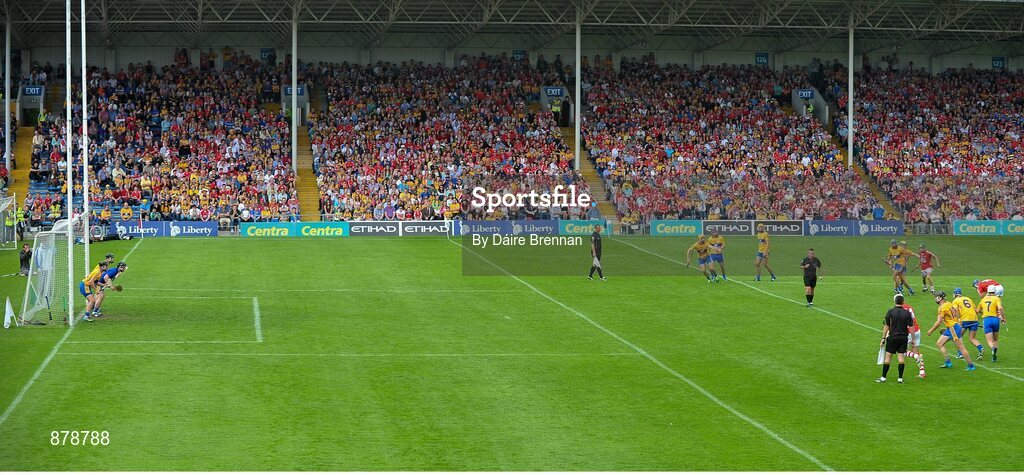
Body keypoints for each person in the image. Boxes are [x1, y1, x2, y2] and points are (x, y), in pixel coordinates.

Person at [926, 291, 976, 371]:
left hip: (953, 329)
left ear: (940, 298)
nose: (935, 298)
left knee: (961, 347)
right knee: (939, 343)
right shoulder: (949, 303)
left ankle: (971, 365)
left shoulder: (942, 308)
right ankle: (948, 362)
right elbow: (956, 314)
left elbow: (939, 322)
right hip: (952, 327)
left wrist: (931, 330)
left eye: (936, 297)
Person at [877, 294, 915, 383]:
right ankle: (900, 378)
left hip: (893, 337)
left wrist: (883, 338)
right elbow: (911, 327)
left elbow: (886, 326)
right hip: (903, 338)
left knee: (888, 358)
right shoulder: (907, 313)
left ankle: (883, 378)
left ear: (895, 301)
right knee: (901, 357)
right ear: (903, 302)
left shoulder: (890, 312)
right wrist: (913, 339)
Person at [951, 287, 984, 360]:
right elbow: (976, 310)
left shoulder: (955, 301)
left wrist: (957, 319)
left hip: (965, 320)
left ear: (955, 294)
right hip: (974, 319)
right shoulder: (968, 299)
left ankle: (960, 354)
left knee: (957, 337)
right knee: (972, 338)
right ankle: (981, 348)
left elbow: (956, 310)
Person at [899, 298, 927, 378]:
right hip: (917, 330)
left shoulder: (900, 309)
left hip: (909, 332)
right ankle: (922, 372)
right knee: (915, 352)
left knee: (902, 352)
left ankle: (916, 356)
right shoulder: (909, 307)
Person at [978, 287, 1006, 362]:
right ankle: (994, 356)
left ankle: (993, 349)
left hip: (987, 320)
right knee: (995, 339)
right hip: (995, 320)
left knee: (989, 341)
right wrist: (1003, 318)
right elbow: (1000, 308)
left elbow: (978, 310)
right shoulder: (997, 298)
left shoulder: (983, 299)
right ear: (994, 291)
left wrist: (984, 313)